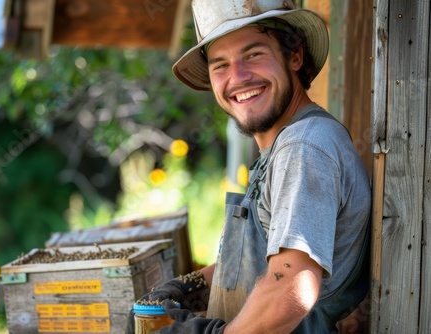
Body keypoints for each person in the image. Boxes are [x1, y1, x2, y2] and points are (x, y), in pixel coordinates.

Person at [127, 0, 371, 333]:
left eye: (253, 55)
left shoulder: (304, 147)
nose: (238, 78)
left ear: (294, 55)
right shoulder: (279, 148)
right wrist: (190, 284)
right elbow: (260, 265)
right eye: (220, 65)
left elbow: (291, 289)